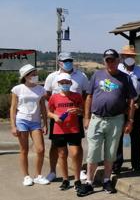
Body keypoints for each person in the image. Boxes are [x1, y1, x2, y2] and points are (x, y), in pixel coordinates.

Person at [80, 49, 136, 197]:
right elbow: (89, 97)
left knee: (110, 153)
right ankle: (89, 182)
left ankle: (106, 180)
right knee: (93, 152)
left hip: (116, 120)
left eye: (113, 60)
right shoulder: (97, 75)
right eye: (108, 60)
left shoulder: (126, 78)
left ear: (118, 61)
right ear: (104, 61)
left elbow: (131, 101)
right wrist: (86, 117)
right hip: (97, 119)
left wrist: (130, 120)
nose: (110, 63)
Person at [43, 52, 89, 182]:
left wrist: (80, 109)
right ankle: (52, 171)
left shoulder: (81, 76)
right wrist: (58, 107)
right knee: (55, 146)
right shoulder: (52, 76)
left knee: (77, 146)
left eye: (70, 60)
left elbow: (85, 95)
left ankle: (78, 171)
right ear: (59, 62)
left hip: (75, 116)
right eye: (65, 60)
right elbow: (47, 94)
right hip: (58, 118)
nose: (68, 62)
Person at [11, 64, 49, 186]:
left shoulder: (40, 89)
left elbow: (43, 107)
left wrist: (45, 123)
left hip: (35, 122)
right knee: (24, 150)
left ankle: (38, 175)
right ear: (25, 76)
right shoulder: (17, 89)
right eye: (32, 74)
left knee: (41, 149)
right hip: (21, 121)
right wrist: (13, 125)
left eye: (35, 73)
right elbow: (13, 108)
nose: (35, 76)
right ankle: (26, 176)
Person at [47, 73, 84, 190]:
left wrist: (78, 110)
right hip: (59, 130)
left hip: (73, 129)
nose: (65, 84)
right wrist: (54, 117)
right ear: (58, 84)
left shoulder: (77, 96)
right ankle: (65, 179)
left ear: (71, 83)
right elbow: (48, 112)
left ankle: (77, 180)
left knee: (76, 153)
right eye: (62, 83)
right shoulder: (54, 97)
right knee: (62, 155)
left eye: (67, 82)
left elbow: (82, 111)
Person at [115, 45, 140, 173]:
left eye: (132, 56)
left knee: (136, 137)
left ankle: (136, 164)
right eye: (127, 56)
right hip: (119, 107)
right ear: (122, 57)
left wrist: (138, 104)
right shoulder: (117, 69)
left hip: (136, 107)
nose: (130, 58)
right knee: (117, 137)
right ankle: (116, 165)